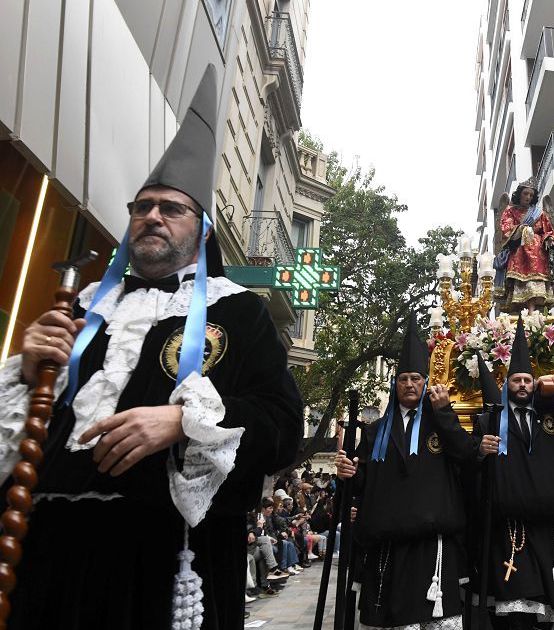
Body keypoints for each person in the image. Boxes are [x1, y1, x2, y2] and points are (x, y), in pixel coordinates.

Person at [0, 65, 302, 630]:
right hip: (45, 550)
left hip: (159, 558)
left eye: (171, 208)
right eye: (143, 207)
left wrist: (183, 423)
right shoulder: (84, 307)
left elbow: (282, 428)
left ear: (202, 229)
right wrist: (25, 366)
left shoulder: (239, 311)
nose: (153, 216)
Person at [335, 315, 499, 630]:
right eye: (403, 379)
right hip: (390, 546)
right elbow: (364, 482)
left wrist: (445, 412)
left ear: (425, 383)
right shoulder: (375, 431)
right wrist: (349, 473)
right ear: (394, 384)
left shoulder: (441, 422)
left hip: (432, 544)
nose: (409, 385)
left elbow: (466, 455)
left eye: (416, 379)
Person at [474, 318, 554, 629]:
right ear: (507, 385)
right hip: (512, 529)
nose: (523, 386)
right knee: (517, 608)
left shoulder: (551, 416)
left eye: (528, 380)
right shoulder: (490, 423)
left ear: (535, 384)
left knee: (547, 609)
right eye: (517, 381)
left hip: (551, 526)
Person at [496, 178, 554, 313]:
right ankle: (521, 310)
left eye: (531, 195)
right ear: (519, 194)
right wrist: (519, 230)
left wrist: (549, 239)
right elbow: (506, 228)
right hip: (519, 251)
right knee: (520, 282)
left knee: (535, 282)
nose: (528, 197)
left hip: (537, 253)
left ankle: (533, 311)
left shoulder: (539, 213)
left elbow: (547, 230)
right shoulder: (510, 211)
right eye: (525, 194)